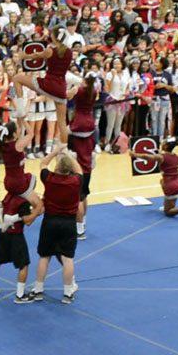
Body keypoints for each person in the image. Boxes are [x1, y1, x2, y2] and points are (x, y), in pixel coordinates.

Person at [31, 144, 82, 304]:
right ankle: (68, 293)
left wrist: (55, 151)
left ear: (57, 167)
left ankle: (38, 289)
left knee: (44, 256)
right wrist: (69, 156)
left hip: (50, 221)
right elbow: (80, 170)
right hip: (68, 223)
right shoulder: (76, 181)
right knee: (67, 258)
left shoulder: (49, 179)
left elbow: (43, 164)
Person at [14, 25, 74, 146]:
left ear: (54, 36)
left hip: (47, 84)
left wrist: (23, 56)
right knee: (62, 122)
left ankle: (20, 110)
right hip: (61, 88)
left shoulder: (50, 50)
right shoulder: (69, 52)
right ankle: (64, 149)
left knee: (17, 78)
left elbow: (36, 56)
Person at [0, 186, 43, 304]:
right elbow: (28, 221)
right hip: (15, 235)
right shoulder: (23, 201)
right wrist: (37, 211)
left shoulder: (9, 194)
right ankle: (20, 295)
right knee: (24, 264)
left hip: (2, 232)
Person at [129, 139, 178, 220]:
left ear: (166, 146)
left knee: (168, 212)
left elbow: (146, 156)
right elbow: (165, 156)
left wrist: (134, 154)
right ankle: (167, 205)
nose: (161, 144)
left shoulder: (161, 157)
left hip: (171, 186)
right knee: (162, 182)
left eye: (163, 143)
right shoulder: (175, 156)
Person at [67, 74, 97, 239]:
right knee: (84, 195)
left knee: (77, 198)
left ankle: (79, 229)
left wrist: (71, 84)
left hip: (79, 122)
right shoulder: (94, 90)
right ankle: (83, 221)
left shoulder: (79, 89)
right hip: (89, 122)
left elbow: (66, 96)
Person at [0, 121, 39, 206]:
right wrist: (23, 119)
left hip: (8, 182)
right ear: (14, 134)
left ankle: (14, 203)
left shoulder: (4, 145)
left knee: (29, 178)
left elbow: (19, 135)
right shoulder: (17, 145)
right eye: (18, 129)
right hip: (19, 183)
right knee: (40, 206)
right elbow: (31, 133)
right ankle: (20, 210)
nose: (20, 129)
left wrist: (20, 118)